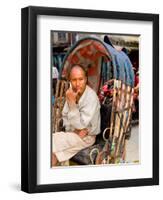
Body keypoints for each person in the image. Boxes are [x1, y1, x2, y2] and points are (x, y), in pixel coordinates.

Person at [52, 64, 101, 166]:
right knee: (52, 148)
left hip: (86, 137)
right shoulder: (71, 93)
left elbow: (82, 125)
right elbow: (65, 115)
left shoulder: (91, 97)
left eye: (81, 79)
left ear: (86, 79)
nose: (78, 83)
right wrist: (72, 129)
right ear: (70, 81)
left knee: (53, 142)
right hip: (73, 133)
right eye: (74, 80)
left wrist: (72, 104)